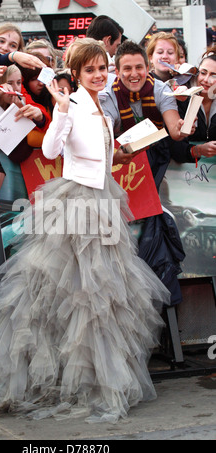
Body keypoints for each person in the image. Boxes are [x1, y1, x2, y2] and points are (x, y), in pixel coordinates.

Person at [0, 38, 169, 424]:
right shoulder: (74, 104)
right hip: (77, 202)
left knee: (100, 295)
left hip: (103, 201)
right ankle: (60, 381)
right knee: (68, 294)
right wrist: (59, 111)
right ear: (75, 73)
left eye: (101, 68)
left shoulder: (102, 105)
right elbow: (48, 151)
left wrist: (125, 149)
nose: (98, 75)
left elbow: (101, 156)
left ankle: (96, 377)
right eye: (90, 70)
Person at [99, 39, 195, 309]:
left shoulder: (161, 89)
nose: (134, 74)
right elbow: (106, 143)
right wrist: (118, 155)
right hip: (118, 168)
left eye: (139, 67)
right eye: (127, 68)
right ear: (116, 71)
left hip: (150, 169)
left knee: (151, 235)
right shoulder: (107, 93)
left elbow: (175, 131)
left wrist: (187, 127)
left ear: (147, 67)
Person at [170, 51, 216, 163]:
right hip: (181, 174)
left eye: (213, 75)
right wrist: (197, 150)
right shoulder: (183, 98)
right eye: (203, 73)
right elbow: (175, 146)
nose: (206, 80)